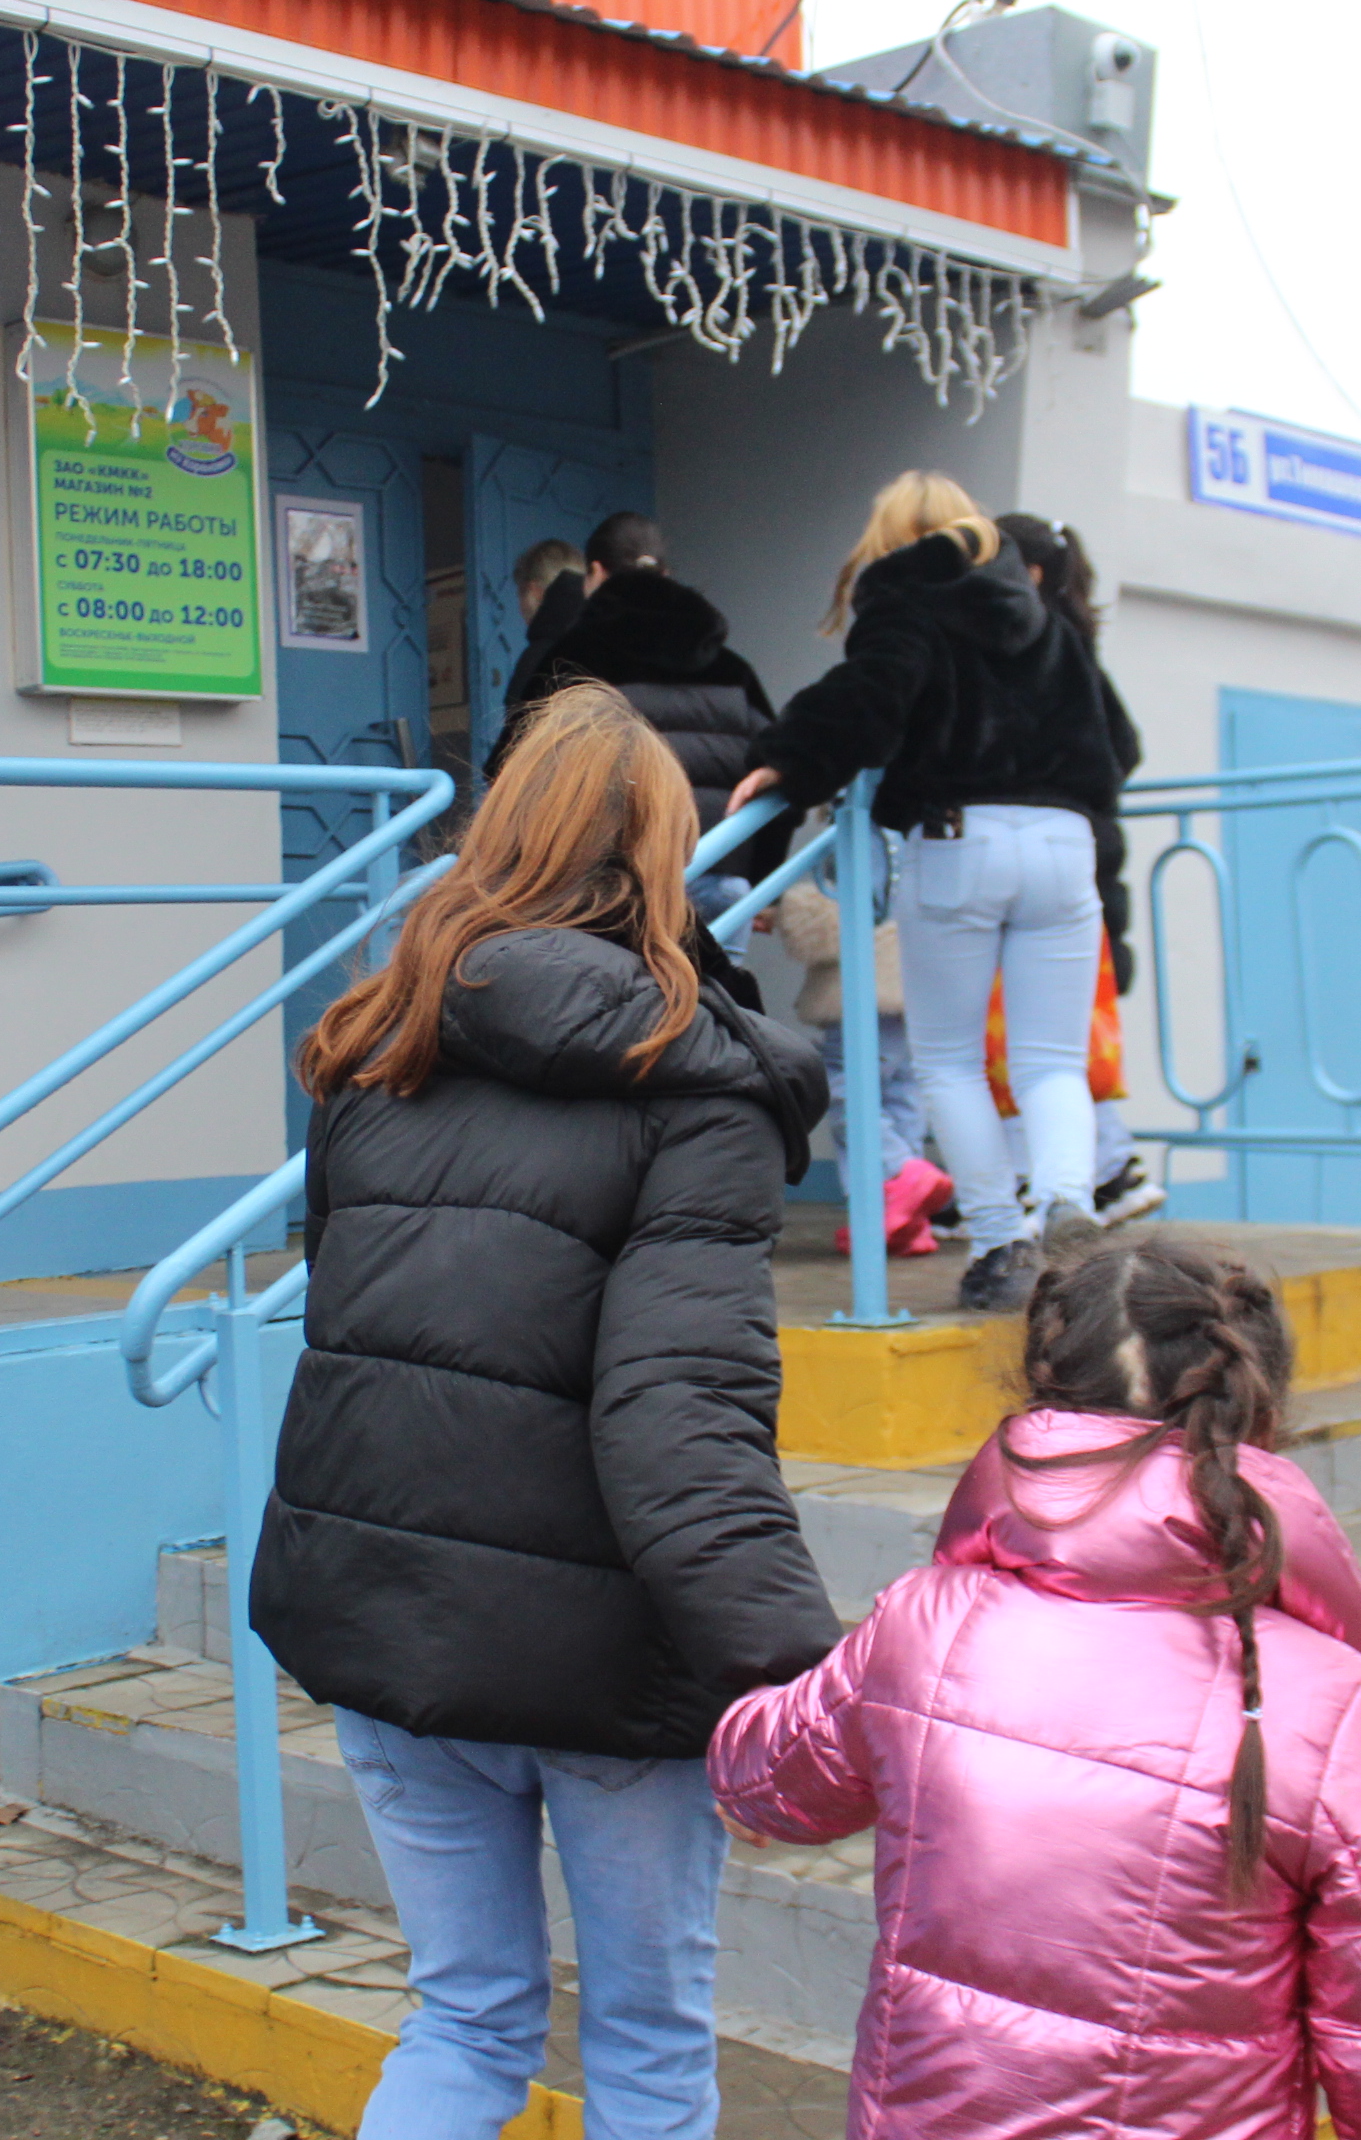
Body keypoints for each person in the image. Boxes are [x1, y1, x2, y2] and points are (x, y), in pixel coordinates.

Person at [252, 680, 840, 2140]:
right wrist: (799, 1677)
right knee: (646, 2044)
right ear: (662, 854)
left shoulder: (375, 1051)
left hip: (383, 1618)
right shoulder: (699, 1086)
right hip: (601, 1667)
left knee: (463, 2022)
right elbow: (681, 1411)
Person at [709, 1237, 1361, 2140]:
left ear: (1040, 1388)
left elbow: (765, 1778)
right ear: (1259, 1406)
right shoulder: (1333, 1705)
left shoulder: (923, 1628)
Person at [728, 472, 1131, 1312]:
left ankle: (1000, 1243)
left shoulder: (907, 598)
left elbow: (868, 703)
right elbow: (1118, 742)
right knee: (1051, 1061)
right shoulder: (1043, 616)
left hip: (960, 840)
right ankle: (1067, 1200)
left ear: (890, 539)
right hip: (1065, 843)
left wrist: (788, 761)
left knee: (949, 1061)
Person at [992, 510, 1162, 1227]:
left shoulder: (1039, 648)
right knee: (1048, 1034)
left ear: (1027, 572)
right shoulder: (1069, 642)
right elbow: (1123, 747)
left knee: (1027, 1033)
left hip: (1052, 867)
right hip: (1077, 863)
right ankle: (1091, 1172)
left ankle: (1090, 1173)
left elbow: (1116, 746)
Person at [494, 512, 785, 913]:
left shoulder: (571, 660)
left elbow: (511, 775)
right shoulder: (735, 670)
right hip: (720, 879)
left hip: (616, 889)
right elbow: (779, 773)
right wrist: (764, 883)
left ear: (595, 573)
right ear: (665, 573)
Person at [769, 873, 950, 1255]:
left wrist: (785, 911)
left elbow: (838, 916)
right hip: (915, 972)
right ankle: (906, 1218)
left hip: (868, 977)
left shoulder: (863, 845)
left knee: (844, 1087)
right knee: (900, 1094)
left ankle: (898, 1172)